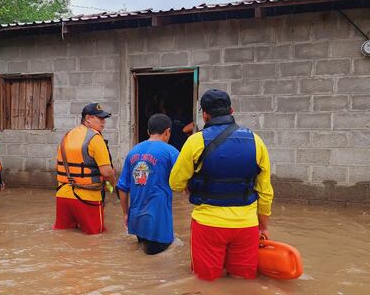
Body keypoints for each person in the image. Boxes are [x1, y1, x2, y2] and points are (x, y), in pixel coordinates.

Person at [169, 89, 274, 281]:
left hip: (208, 225)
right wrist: (263, 227)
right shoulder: (256, 142)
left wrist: (189, 186)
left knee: (206, 283)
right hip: (247, 226)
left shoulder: (195, 142)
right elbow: (265, 192)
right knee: (242, 283)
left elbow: (175, 183)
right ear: (232, 110)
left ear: (205, 114)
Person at [117, 114, 179, 255]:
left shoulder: (133, 151)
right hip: (158, 223)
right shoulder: (171, 152)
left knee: (142, 256)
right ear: (167, 131)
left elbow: (122, 187)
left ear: (148, 132)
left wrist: (126, 214)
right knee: (159, 264)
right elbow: (184, 181)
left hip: (137, 220)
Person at [54, 103, 116, 235]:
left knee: (64, 236)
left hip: (63, 195)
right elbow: (107, 172)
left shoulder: (67, 135)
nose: (104, 122)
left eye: (104, 119)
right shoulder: (95, 138)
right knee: (96, 238)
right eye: (100, 118)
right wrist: (113, 183)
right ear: (88, 118)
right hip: (87, 198)